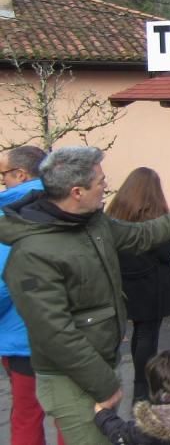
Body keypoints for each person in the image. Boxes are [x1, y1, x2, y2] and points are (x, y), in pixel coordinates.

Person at [0, 146, 170, 444]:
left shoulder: (93, 222)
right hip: (71, 375)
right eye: (100, 182)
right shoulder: (33, 253)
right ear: (77, 192)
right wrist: (105, 385)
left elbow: (142, 235)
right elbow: (55, 333)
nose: (106, 187)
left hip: (101, 362)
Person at [0, 146, 66, 445]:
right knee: (72, 414)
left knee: (27, 415)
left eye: (3, 176)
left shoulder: (8, 217)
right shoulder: (67, 204)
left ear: (20, 174)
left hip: (23, 339)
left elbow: (2, 286)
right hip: (69, 333)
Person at [106, 168, 170, 405]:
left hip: (127, 281)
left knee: (139, 333)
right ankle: (143, 387)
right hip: (152, 284)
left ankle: (141, 387)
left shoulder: (114, 213)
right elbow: (166, 252)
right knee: (148, 335)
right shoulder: (155, 218)